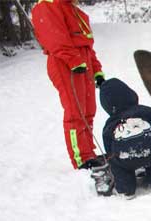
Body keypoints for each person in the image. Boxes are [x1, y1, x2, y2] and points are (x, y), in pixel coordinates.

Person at [32, 0, 113, 195]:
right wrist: (73, 60)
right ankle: (81, 158)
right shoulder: (47, 5)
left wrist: (97, 71)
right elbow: (55, 39)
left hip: (82, 61)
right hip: (64, 63)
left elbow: (87, 47)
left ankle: (89, 151)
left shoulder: (74, 11)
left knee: (88, 110)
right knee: (75, 110)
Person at [99, 78, 151, 198]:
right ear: (130, 94)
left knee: (119, 166)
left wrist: (112, 155)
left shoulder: (111, 123)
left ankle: (126, 189)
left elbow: (108, 145)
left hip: (124, 157)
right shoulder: (146, 111)